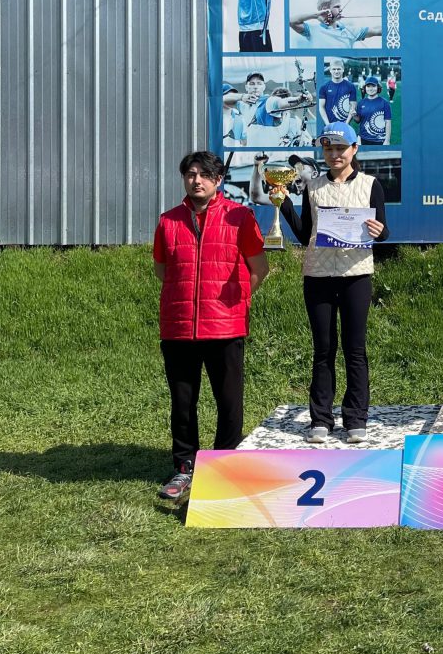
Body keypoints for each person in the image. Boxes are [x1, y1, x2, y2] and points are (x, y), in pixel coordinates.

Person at [255, 124, 387, 443]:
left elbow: (383, 231)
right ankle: (321, 418)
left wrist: (379, 231)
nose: (334, 154)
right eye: (329, 148)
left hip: (356, 275)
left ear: (354, 149)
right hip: (318, 275)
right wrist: (284, 203)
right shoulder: (313, 187)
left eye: (341, 148)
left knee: (355, 350)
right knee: (323, 350)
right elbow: (305, 235)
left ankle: (355, 418)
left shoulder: (371, 184)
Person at [153, 151, 268, 502]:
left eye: (204, 175)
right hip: (179, 328)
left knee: (229, 401)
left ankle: (224, 465)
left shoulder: (240, 217)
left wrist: (235, 300)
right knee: (182, 403)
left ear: (218, 180)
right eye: (190, 174)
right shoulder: (168, 221)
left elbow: (259, 268)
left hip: (225, 327)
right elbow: (163, 270)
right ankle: (184, 467)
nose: (197, 180)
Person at [290, 0, 381, 49]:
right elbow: (291, 21)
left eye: (340, 7)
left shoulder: (350, 30)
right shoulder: (312, 30)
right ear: (325, 9)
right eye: (337, 7)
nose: (340, 10)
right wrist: (317, 15)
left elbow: (377, 31)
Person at [318, 57, 358, 127]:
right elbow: (321, 107)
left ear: (343, 69)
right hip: (329, 127)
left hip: (345, 127)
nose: (336, 71)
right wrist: (328, 124)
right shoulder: (324, 87)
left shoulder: (351, 86)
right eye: (334, 69)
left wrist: (346, 124)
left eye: (339, 69)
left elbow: (352, 107)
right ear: (330, 70)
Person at [357, 75, 392, 146]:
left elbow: (388, 122)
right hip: (363, 138)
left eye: (373, 86)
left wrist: (387, 140)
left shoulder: (384, 103)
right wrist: (354, 115)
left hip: (379, 140)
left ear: (378, 87)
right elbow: (358, 120)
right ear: (365, 88)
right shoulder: (361, 103)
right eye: (368, 86)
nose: (370, 89)